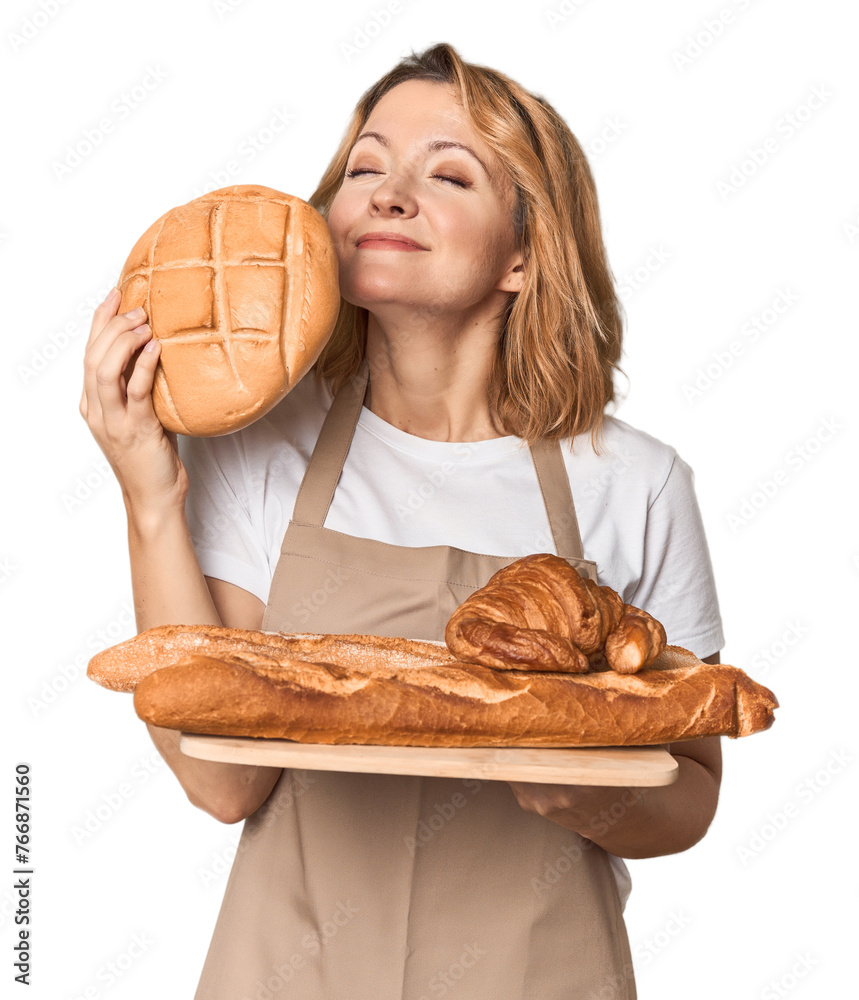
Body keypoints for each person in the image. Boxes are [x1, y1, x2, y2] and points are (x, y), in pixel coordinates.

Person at [81, 42, 724, 1000]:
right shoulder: (259, 449)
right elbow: (223, 785)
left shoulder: (632, 482)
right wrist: (147, 490)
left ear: (522, 255)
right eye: (366, 166)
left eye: (448, 173)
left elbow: (695, 796)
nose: (386, 193)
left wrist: (588, 796)